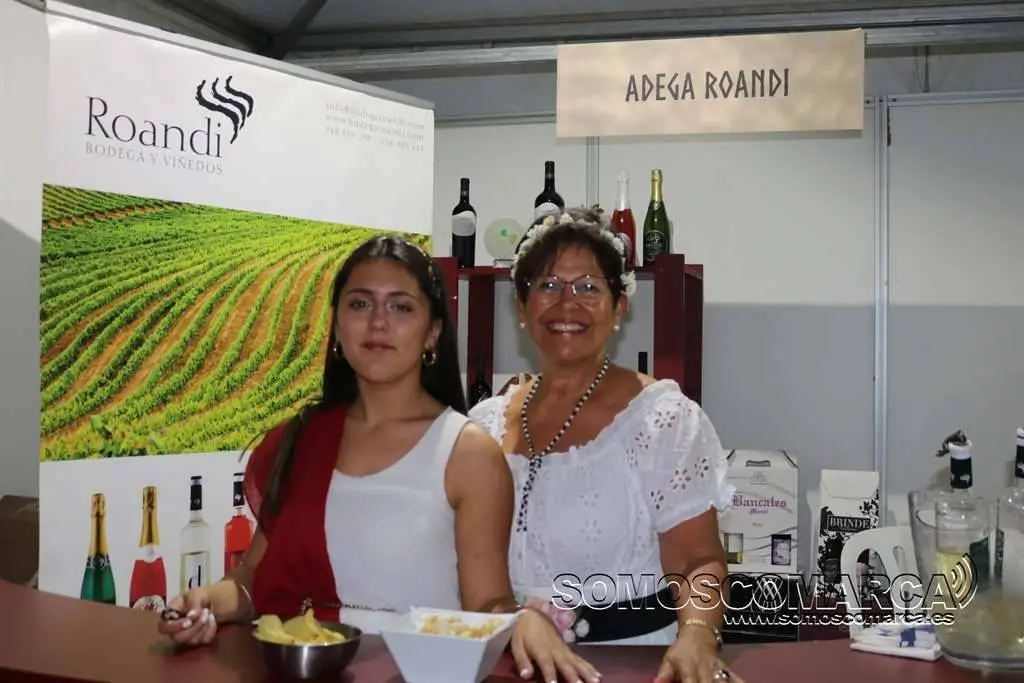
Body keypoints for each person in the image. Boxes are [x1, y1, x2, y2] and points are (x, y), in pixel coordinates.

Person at [158, 234, 598, 683]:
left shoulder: (467, 453)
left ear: (432, 332)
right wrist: (207, 602)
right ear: (337, 326)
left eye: (401, 307)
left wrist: (523, 620)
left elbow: (487, 606)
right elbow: (253, 578)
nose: (378, 322)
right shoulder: (304, 438)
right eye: (360, 304)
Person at [469, 208, 743, 683]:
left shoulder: (661, 421)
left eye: (589, 287)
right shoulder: (483, 426)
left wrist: (698, 635)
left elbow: (698, 561)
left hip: (629, 665)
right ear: (521, 307)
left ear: (619, 308)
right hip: (509, 665)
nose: (567, 303)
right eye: (548, 285)